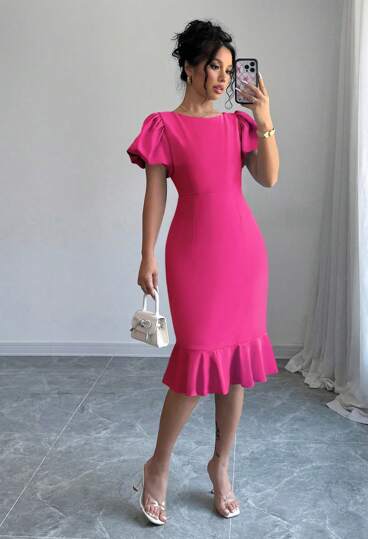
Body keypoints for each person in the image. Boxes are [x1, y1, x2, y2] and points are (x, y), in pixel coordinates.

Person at [126, 19, 280, 525]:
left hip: (243, 254)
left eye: (229, 70)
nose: (223, 78)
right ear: (190, 67)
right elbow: (155, 196)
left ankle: (221, 465)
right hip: (193, 254)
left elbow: (269, 177)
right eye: (214, 66)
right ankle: (158, 465)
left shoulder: (238, 126)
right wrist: (147, 254)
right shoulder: (162, 126)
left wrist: (263, 117)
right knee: (195, 367)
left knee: (236, 369)